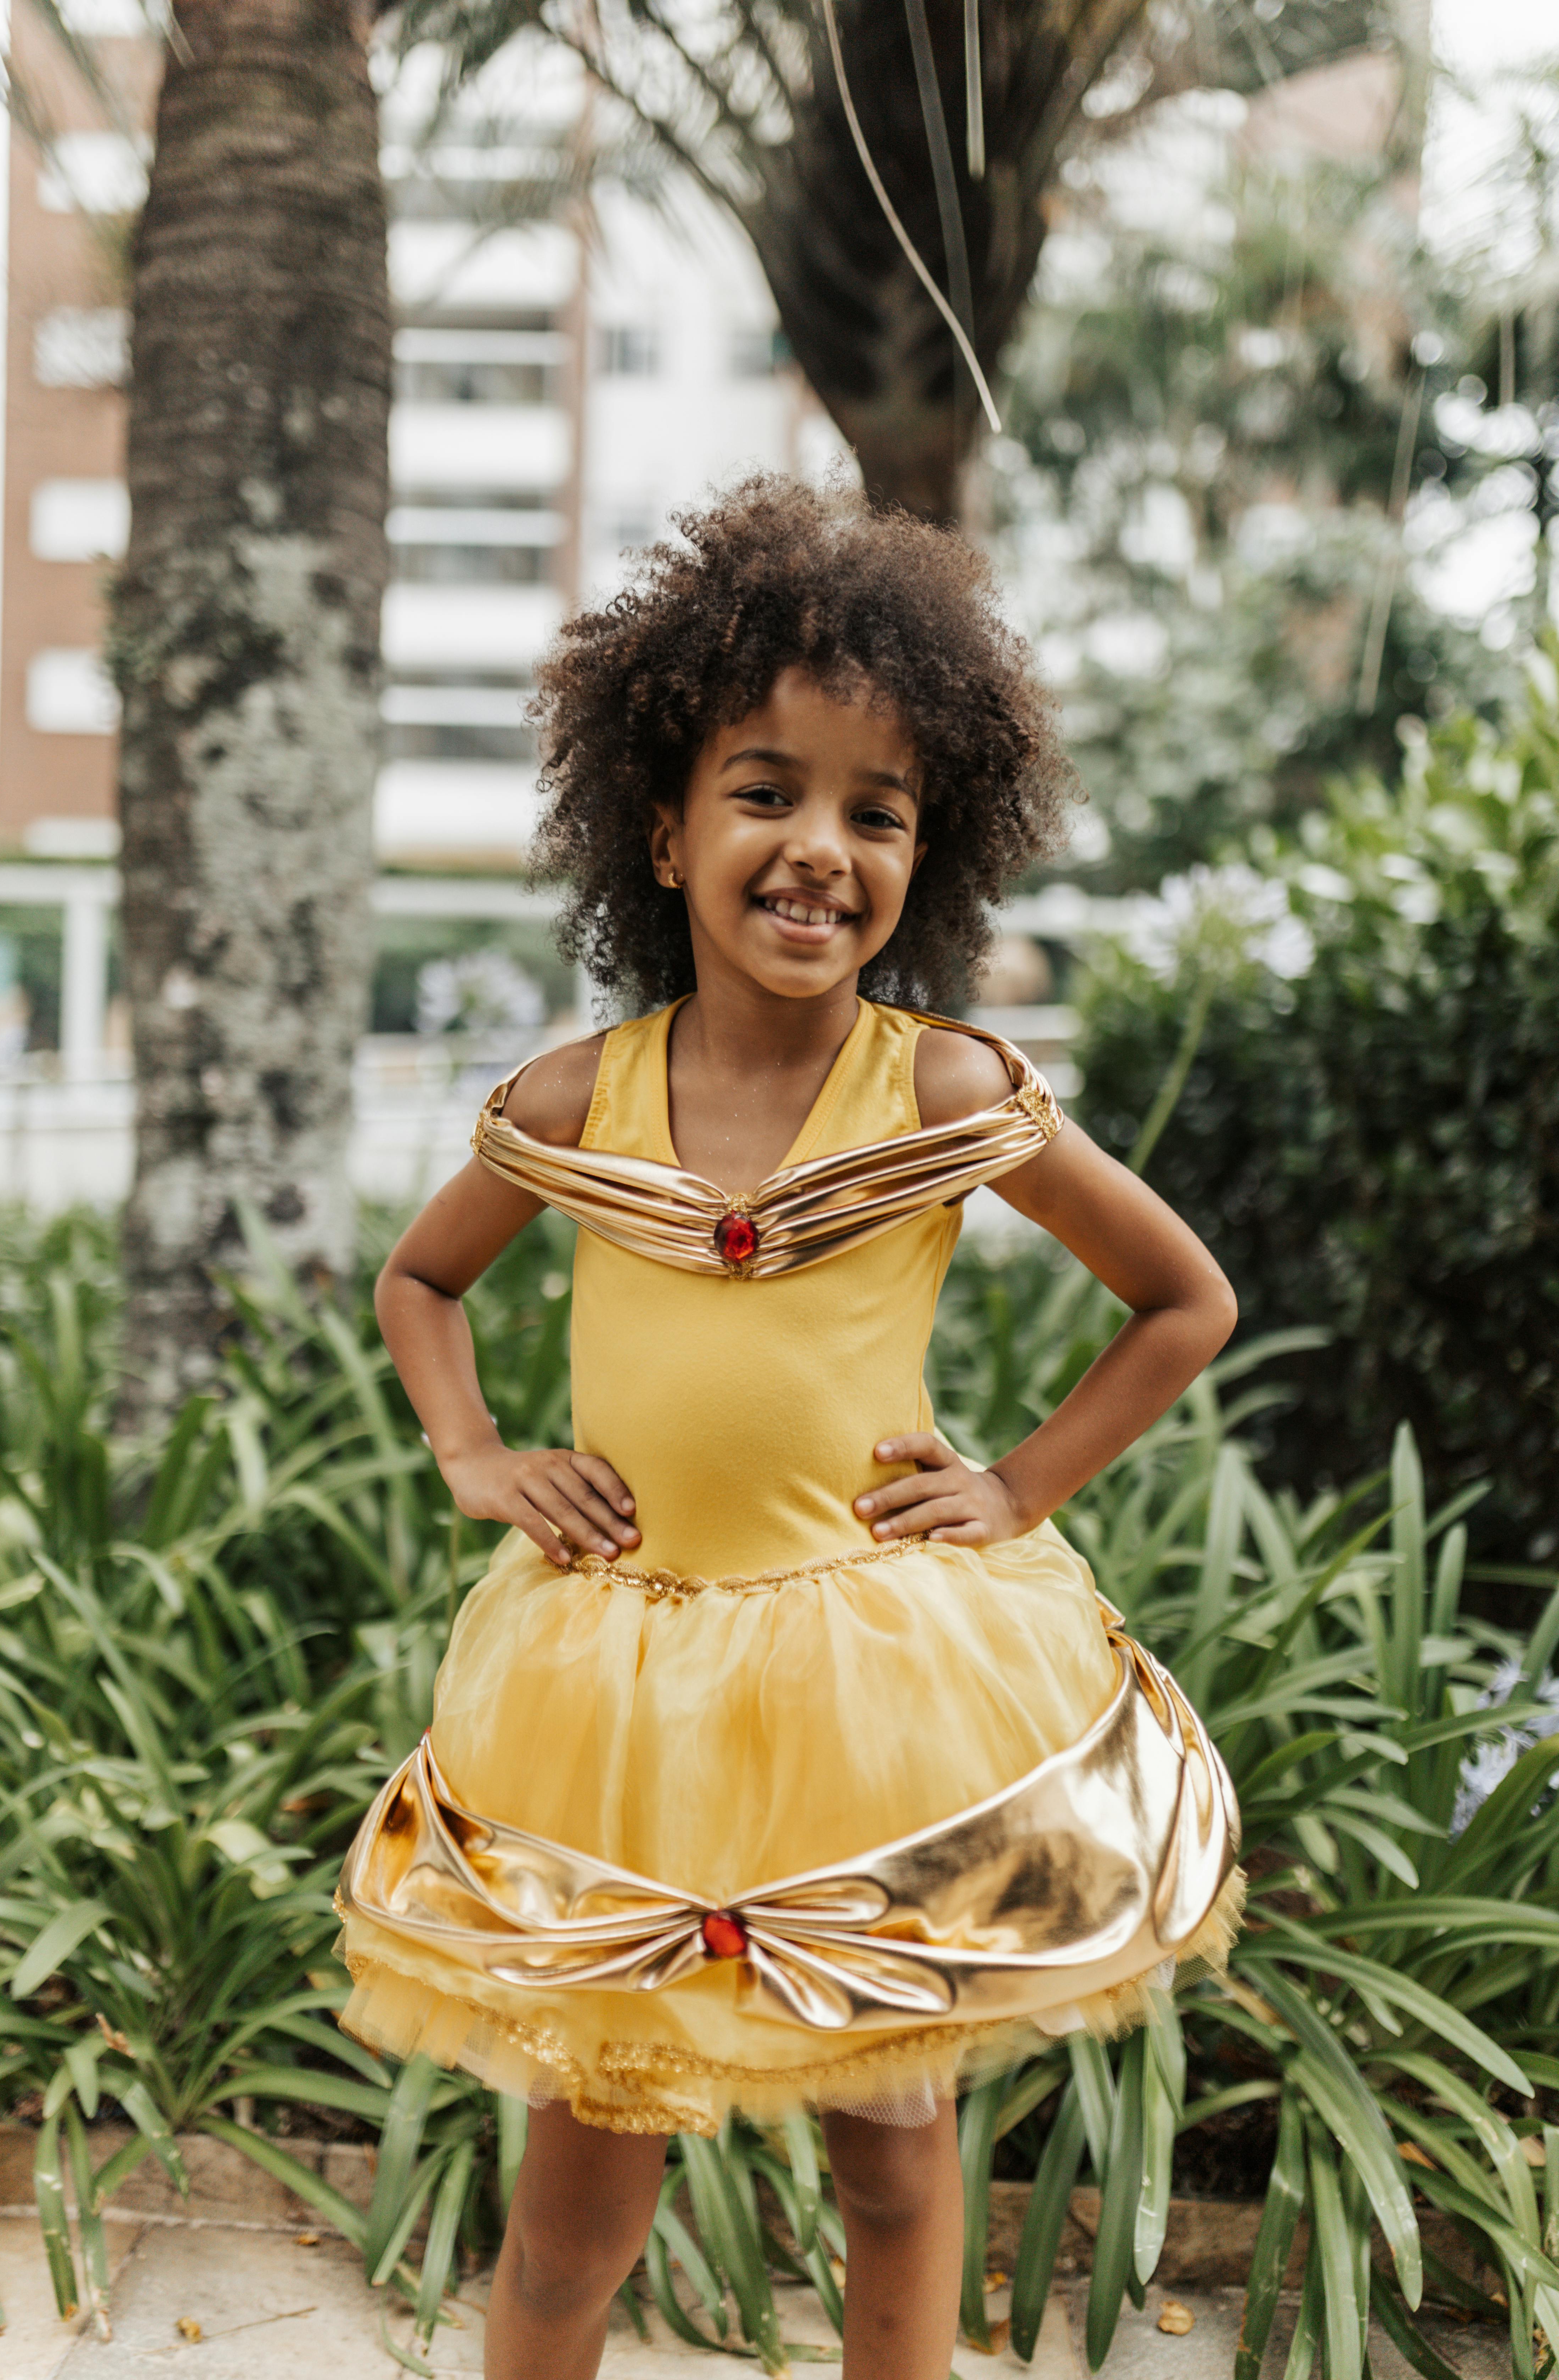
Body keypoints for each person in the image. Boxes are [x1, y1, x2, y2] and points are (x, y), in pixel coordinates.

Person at [336, 477, 1243, 2380]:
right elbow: (425, 1282)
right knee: (579, 2201)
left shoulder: (953, 1091)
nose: (818, 848)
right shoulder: (584, 1098)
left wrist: (1017, 1488)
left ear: (934, 853)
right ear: (658, 834)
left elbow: (1184, 1301)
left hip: (875, 1689)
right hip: (623, 1703)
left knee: (900, 2179)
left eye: (876, 812)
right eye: (766, 792)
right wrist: (474, 1455)